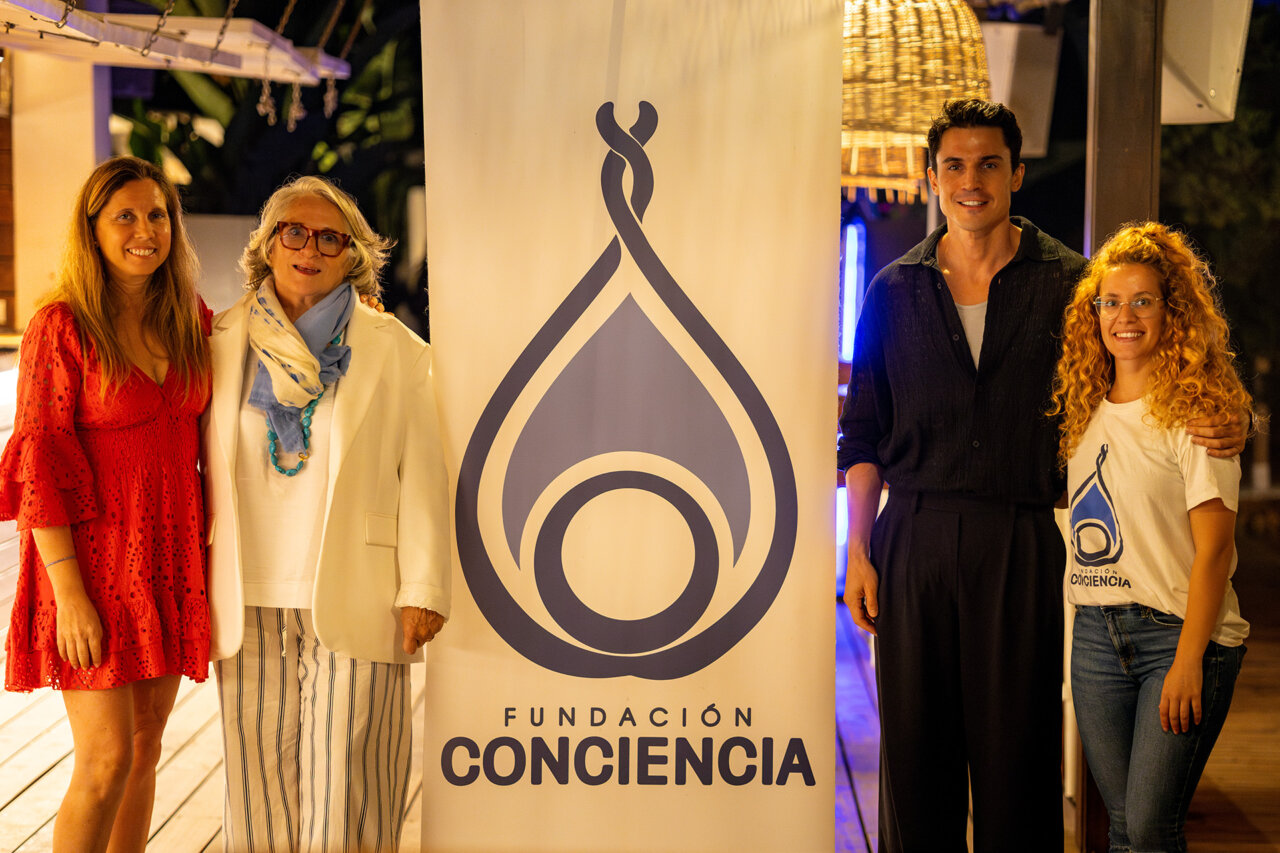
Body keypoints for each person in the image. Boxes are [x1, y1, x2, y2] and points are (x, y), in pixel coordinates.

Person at [836, 99, 1246, 852]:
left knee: (1017, 763)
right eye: (954, 164)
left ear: (1016, 173)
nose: (971, 180)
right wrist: (858, 550)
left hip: (1022, 539)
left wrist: (1229, 417)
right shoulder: (892, 289)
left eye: (989, 163)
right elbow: (861, 431)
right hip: (913, 539)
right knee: (914, 765)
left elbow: (1142, 360)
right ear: (933, 177)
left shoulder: (1071, 285)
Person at [203, 175, 451, 852]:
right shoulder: (220, 338)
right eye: (293, 231)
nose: (309, 248)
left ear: (352, 255)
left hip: (357, 592)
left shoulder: (396, 349)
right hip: (246, 598)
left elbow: (424, 474)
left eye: (329, 238)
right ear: (267, 244)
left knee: (349, 800)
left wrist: (423, 588)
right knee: (256, 803)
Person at [0, 156, 212, 853]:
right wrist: (70, 596)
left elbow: (270, 350)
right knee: (104, 760)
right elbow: (41, 466)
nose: (145, 230)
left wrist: (349, 309)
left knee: (147, 747)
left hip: (166, 558)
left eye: (157, 215)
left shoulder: (189, 318)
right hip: (89, 567)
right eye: (126, 215)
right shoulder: (60, 327)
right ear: (91, 230)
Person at [1050, 222, 1251, 852]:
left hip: (1180, 637)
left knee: (1153, 831)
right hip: (1095, 640)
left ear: (1174, 312)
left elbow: (1215, 549)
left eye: (1143, 300)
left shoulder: (1201, 412)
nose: (1125, 316)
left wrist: (1190, 659)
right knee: (1127, 831)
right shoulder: (1081, 408)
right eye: (1111, 301)